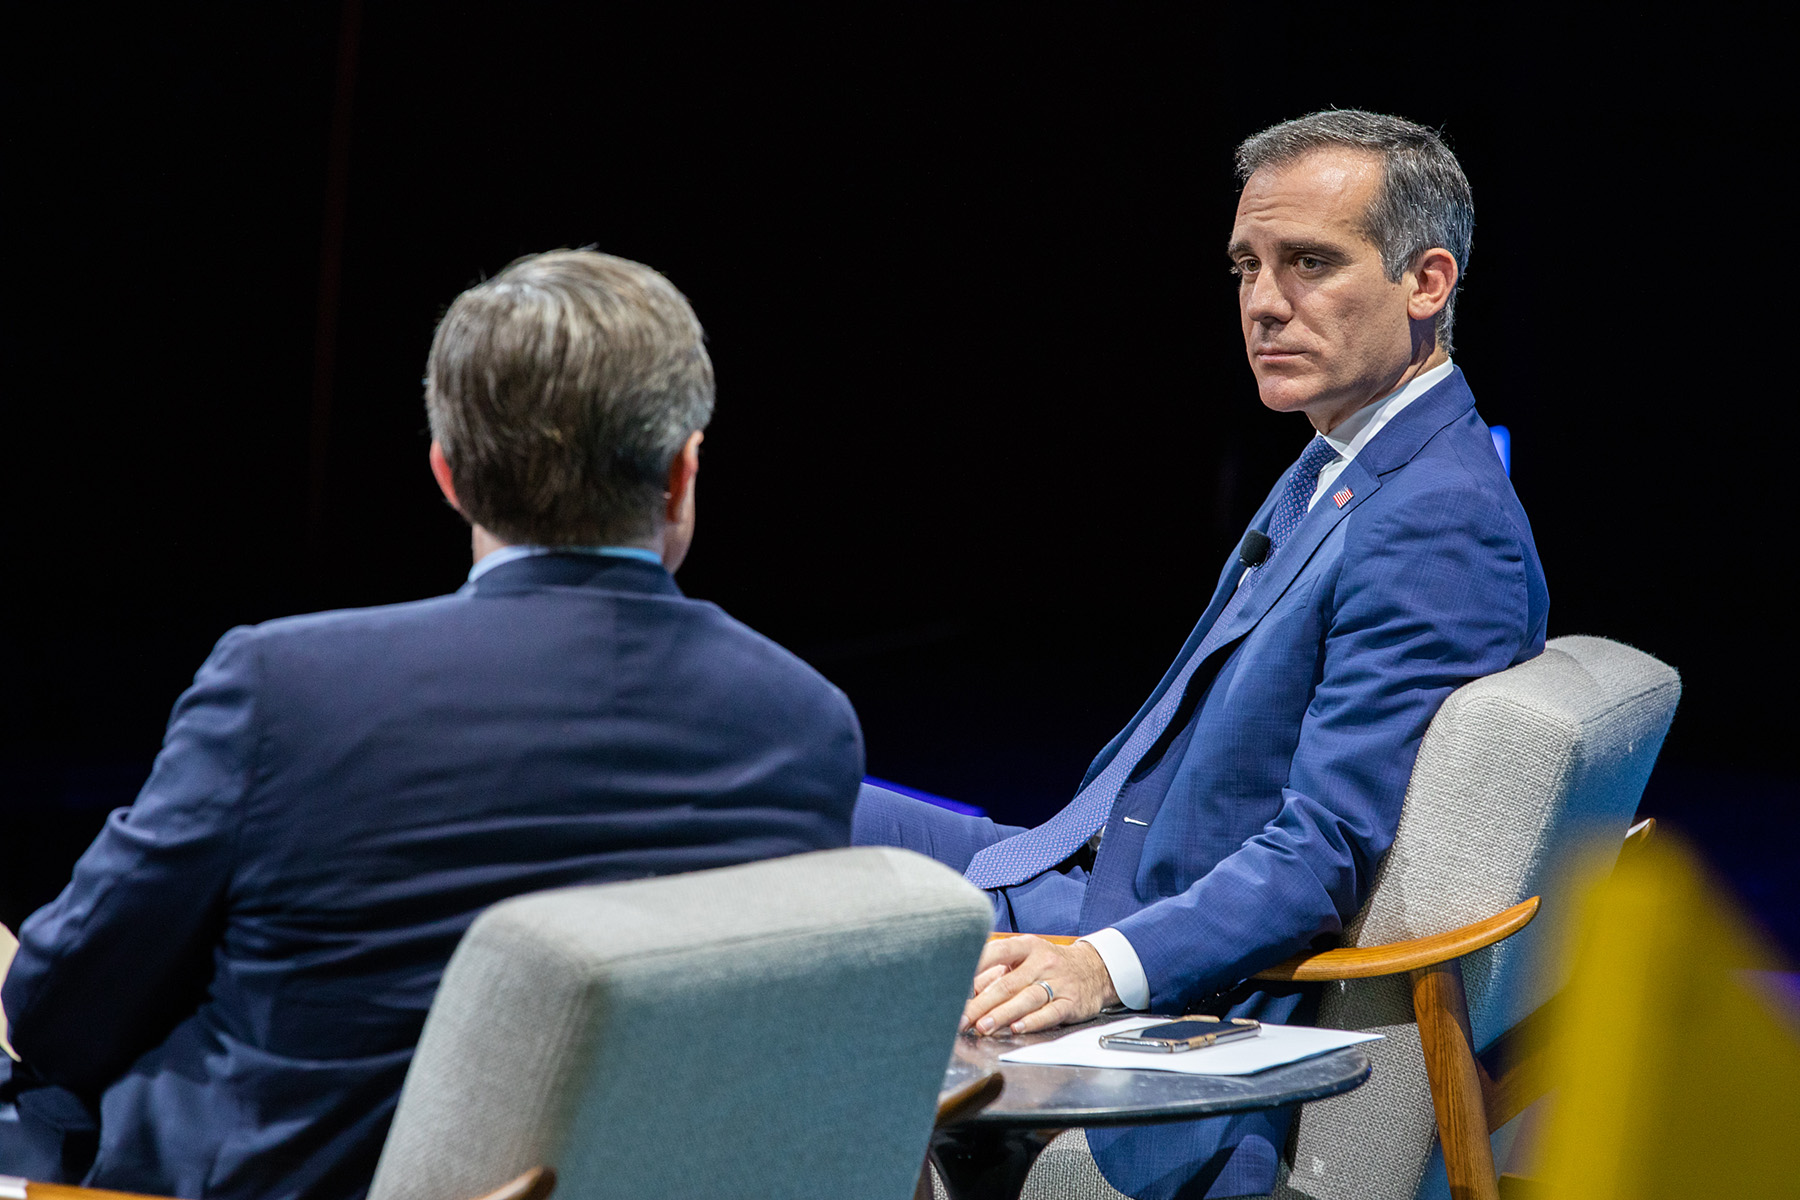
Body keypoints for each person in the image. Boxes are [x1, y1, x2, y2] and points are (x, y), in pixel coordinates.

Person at [0, 250, 865, 1198]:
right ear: (680, 473)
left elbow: (55, 1014)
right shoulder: (804, 727)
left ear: (447, 474)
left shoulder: (285, 686)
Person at [855, 110, 1549, 1199]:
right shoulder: (1346, 455)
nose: (1265, 302)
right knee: (777, 791)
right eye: (1247, 267)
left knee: (750, 848)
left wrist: (1096, 967)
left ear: (1427, 281)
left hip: (1142, 937)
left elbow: (1321, 851)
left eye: (1311, 263)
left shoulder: (1435, 523)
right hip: (1089, 867)